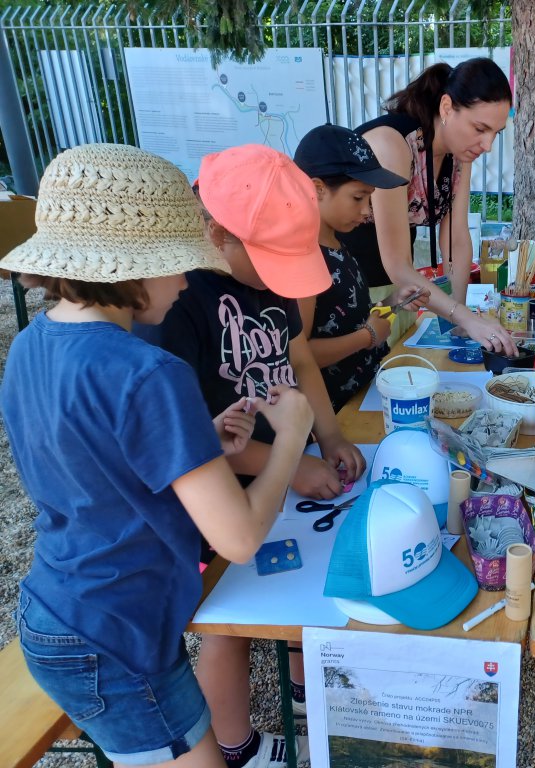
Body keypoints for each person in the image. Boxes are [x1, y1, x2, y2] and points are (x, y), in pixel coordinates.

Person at [0, 143, 314, 767]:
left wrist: (197, 439)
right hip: (119, 636)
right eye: (178, 265)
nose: (184, 280)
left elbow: (94, 462)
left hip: (59, 606)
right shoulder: (151, 372)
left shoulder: (30, 345)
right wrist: (293, 437)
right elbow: (241, 539)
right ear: (130, 268)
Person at [139, 143, 367, 767]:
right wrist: (290, 464)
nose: (279, 280)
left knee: (302, 574)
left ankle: (300, 688)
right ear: (218, 233)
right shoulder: (176, 303)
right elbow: (190, 440)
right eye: (272, 263)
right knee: (229, 616)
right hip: (219, 492)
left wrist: (330, 437)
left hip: (280, 465)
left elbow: (296, 361)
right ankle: (235, 744)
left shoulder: (271, 283)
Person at [339, 57, 518, 356]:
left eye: (495, 134)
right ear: (447, 108)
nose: (487, 145)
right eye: (479, 128)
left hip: (401, 296)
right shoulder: (392, 144)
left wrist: (461, 321)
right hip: (349, 296)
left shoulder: (458, 156)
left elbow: (456, 240)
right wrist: (464, 317)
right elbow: (397, 264)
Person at [293, 124, 430, 411]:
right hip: (332, 413)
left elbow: (346, 315)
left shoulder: (339, 243)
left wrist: (393, 302)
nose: (367, 210)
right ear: (317, 189)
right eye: (358, 198)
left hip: (364, 393)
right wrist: (366, 337)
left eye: (370, 198)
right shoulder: (302, 258)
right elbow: (299, 353)